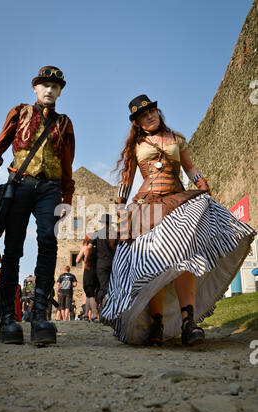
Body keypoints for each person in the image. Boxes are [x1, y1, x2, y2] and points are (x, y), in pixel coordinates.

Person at [100, 95, 256, 347]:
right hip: (147, 206)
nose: (149, 116)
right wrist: (119, 205)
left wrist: (201, 182)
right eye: (142, 115)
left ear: (158, 112)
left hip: (178, 200)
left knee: (187, 256)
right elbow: (127, 179)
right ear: (137, 123)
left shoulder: (177, 139)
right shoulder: (135, 145)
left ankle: (189, 323)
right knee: (153, 263)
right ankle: (157, 323)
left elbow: (189, 167)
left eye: (151, 111)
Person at [0, 66, 75, 344]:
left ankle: (40, 315)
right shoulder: (19, 112)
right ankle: (8, 318)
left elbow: (67, 164)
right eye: (45, 85)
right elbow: (1, 145)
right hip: (20, 184)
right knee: (14, 247)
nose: (50, 90)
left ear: (60, 91)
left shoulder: (65, 122)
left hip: (50, 188)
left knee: (48, 242)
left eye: (55, 86)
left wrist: (67, 199)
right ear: (35, 88)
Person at [85, 215, 117, 314]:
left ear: (102, 223)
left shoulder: (97, 233)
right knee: (113, 287)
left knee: (103, 288)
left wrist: (86, 260)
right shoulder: (114, 234)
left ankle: (105, 312)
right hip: (113, 264)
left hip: (101, 264)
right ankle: (113, 310)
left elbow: (88, 247)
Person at [76, 234, 99, 322]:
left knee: (90, 295)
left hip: (88, 272)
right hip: (96, 272)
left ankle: (95, 315)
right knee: (90, 295)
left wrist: (83, 257)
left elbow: (77, 260)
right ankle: (86, 315)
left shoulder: (85, 248)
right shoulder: (97, 249)